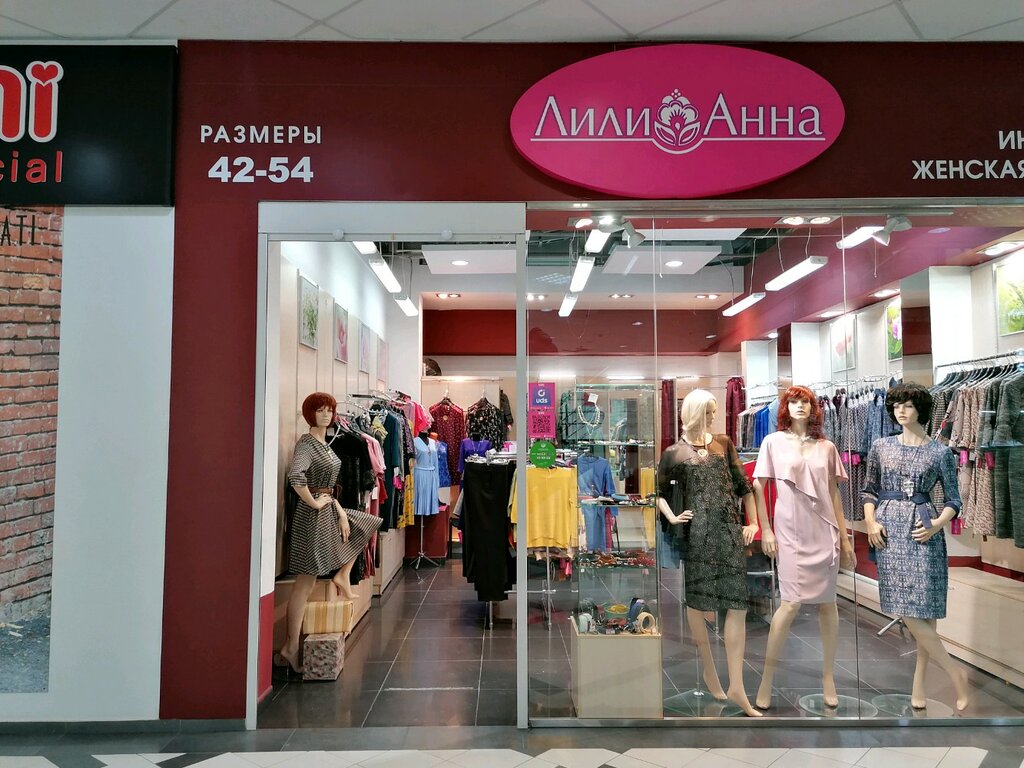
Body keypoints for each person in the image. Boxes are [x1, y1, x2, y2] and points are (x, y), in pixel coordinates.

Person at [862, 382, 971, 711]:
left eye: (908, 405)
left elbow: (954, 499)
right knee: (906, 609)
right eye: (897, 405)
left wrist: (937, 524)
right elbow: (869, 490)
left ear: (920, 409)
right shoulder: (881, 446)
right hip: (889, 532)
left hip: (923, 530)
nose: (901, 411)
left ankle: (919, 684)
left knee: (924, 610)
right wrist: (870, 522)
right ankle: (954, 673)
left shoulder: (939, 452)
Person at [657, 389, 762, 717]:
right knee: (699, 603)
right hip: (697, 534)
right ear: (693, 413)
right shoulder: (674, 453)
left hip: (729, 531)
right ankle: (709, 669)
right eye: (708, 412)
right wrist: (673, 516)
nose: (713, 418)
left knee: (737, 604)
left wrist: (754, 523)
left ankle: (737, 686)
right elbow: (658, 493)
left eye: (714, 412)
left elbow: (745, 486)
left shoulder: (723, 444)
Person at [751, 385, 855, 709]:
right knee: (790, 604)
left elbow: (833, 493)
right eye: (794, 401)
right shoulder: (773, 442)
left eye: (805, 402)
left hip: (824, 531)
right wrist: (765, 528)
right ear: (786, 407)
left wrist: (845, 537)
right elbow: (758, 485)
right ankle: (766, 679)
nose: (800, 406)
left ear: (813, 408)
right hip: (791, 532)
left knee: (828, 604)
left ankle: (828, 676)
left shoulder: (826, 447)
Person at [277, 392, 382, 674]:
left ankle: (342, 575)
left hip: (327, 508)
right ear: (309, 414)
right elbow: (296, 476)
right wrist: (313, 502)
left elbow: (326, 486)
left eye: (329, 410)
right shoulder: (307, 443)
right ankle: (290, 646)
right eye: (320, 410)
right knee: (305, 581)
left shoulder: (324, 443)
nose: (326, 415)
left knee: (365, 523)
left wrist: (338, 510)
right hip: (311, 516)